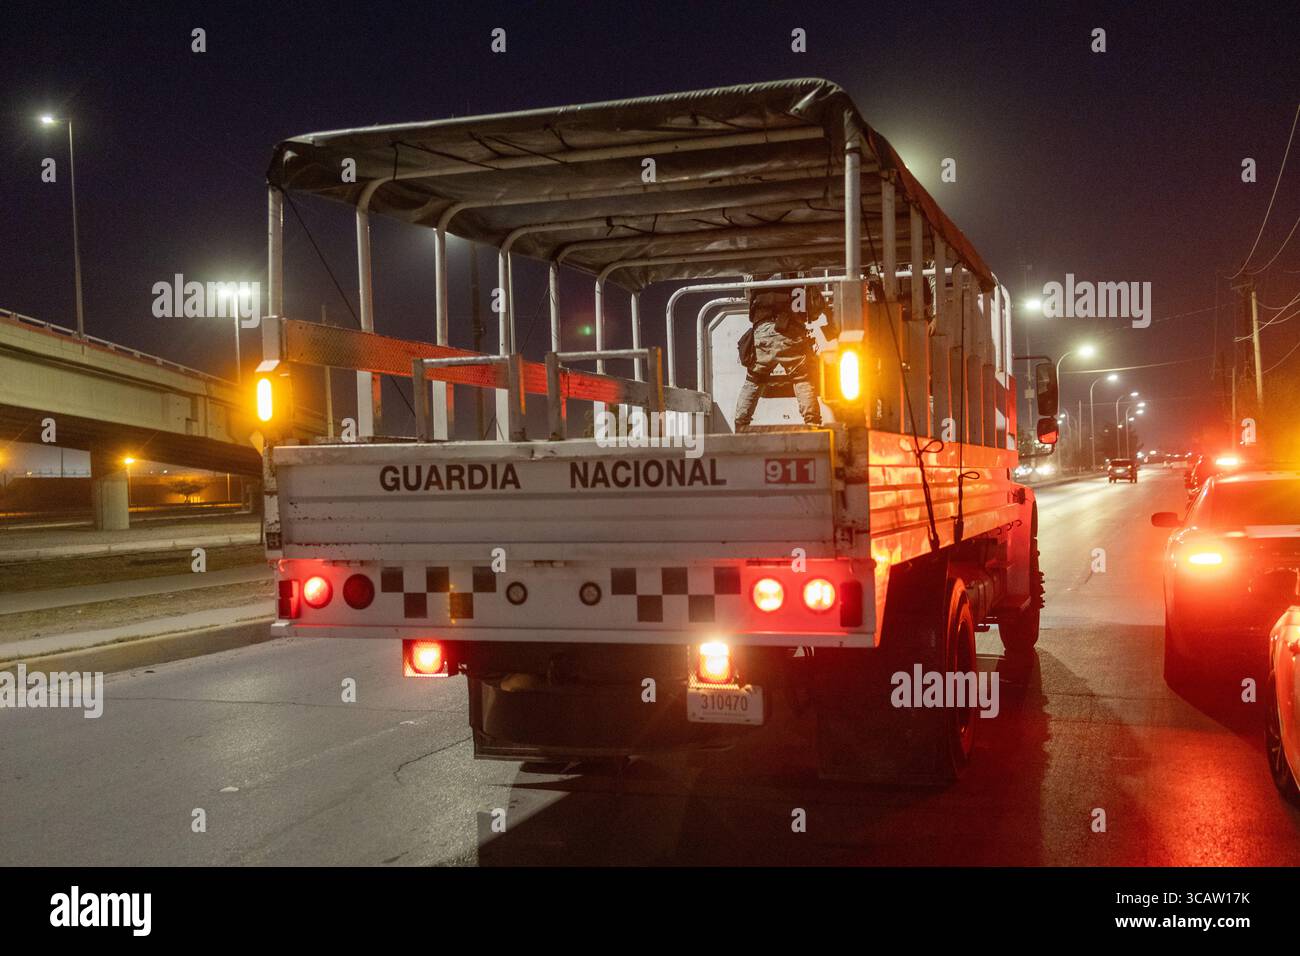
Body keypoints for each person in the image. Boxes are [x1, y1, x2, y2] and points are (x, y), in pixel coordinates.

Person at [733, 278, 827, 431]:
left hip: (762, 331)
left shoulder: (756, 270)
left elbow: (748, 293)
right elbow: (815, 307)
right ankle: (813, 424)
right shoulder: (800, 270)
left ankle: (740, 425)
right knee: (802, 379)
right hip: (791, 331)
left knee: (753, 380)